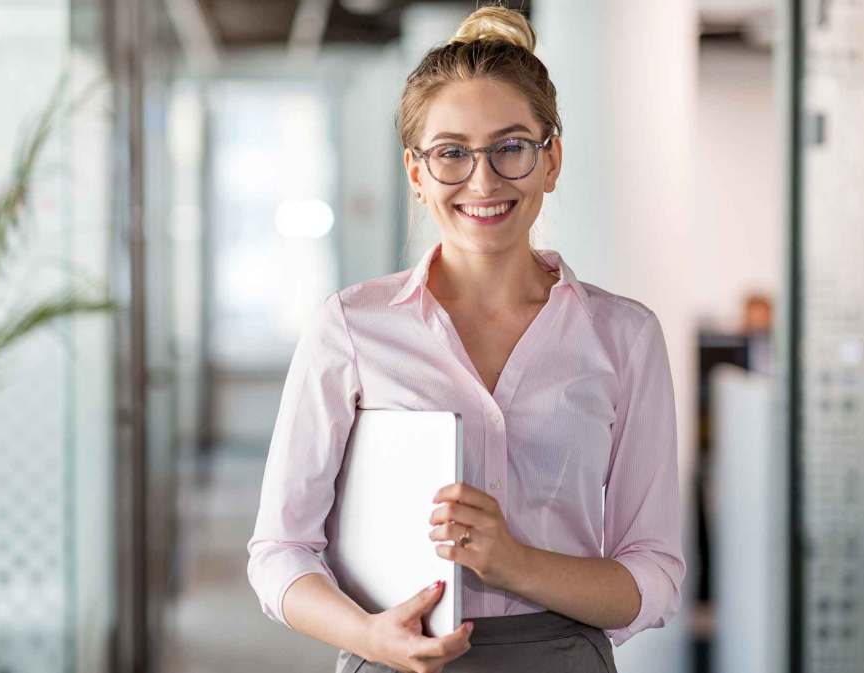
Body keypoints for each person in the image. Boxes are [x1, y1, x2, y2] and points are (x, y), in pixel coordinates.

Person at [247, 5, 685, 672]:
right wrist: (370, 638)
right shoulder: (352, 327)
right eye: (451, 153)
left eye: (510, 147)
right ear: (417, 173)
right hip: (395, 655)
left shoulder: (625, 337)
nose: (483, 181)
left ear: (551, 160)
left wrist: (514, 563)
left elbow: (653, 576)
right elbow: (279, 550)